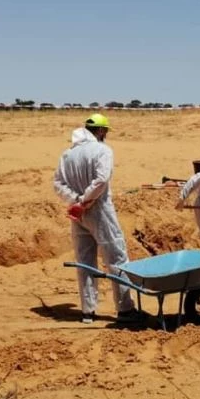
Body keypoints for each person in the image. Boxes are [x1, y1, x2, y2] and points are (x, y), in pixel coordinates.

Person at [53, 113, 138, 324]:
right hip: (99, 210)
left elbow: (58, 184)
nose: (106, 135)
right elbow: (101, 180)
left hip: (78, 213)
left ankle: (88, 311)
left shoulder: (67, 155)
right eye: (105, 131)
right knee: (117, 258)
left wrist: (76, 201)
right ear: (100, 131)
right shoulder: (102, 150)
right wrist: (85, 200)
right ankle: (125, 309)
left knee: (85, 261)